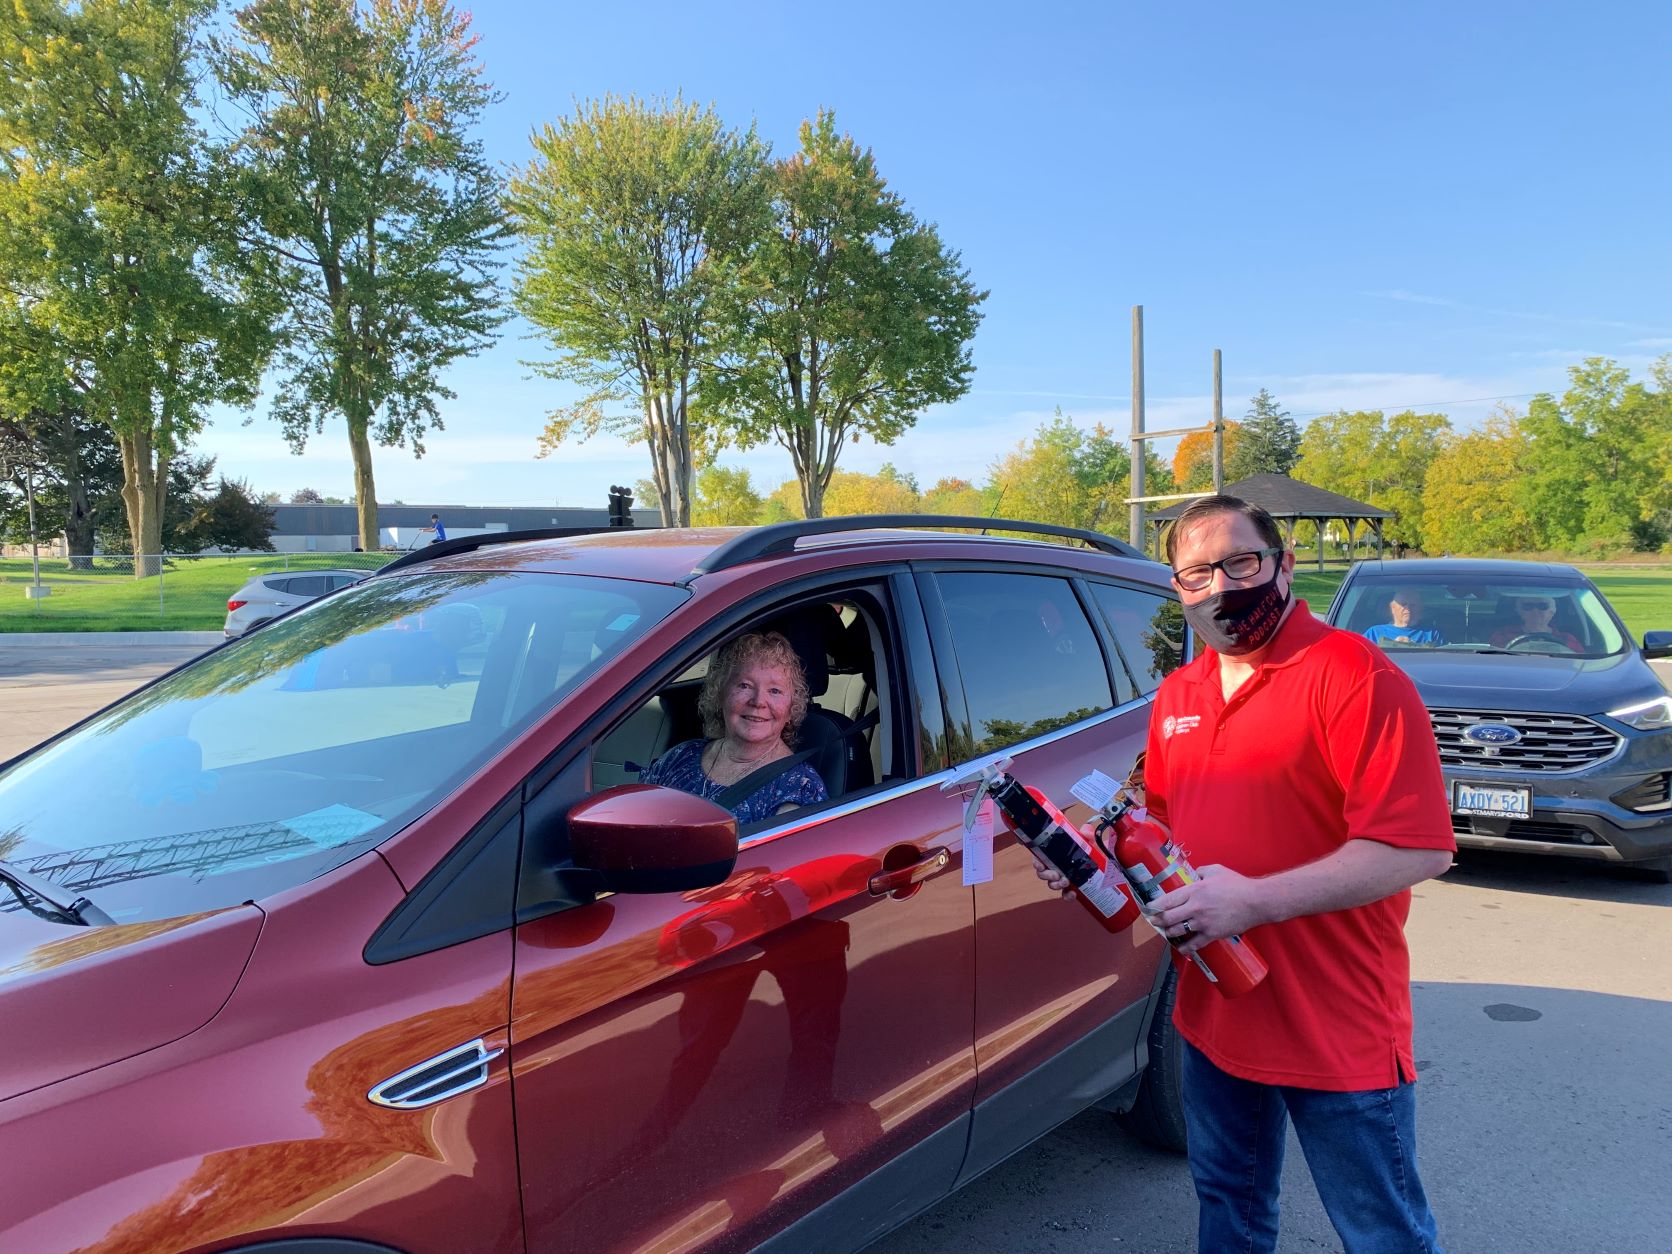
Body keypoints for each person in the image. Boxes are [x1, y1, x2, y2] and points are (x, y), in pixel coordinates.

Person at [1043, 495, 1454, 1253]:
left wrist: (1254, 901)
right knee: (1229, 1209)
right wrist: (1091, 861)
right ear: (1177, 588)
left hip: (1337, 1025)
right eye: (1198, 573)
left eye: (1242, 563)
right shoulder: (1180, 694)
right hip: (1215, 1012)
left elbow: (1418, 848)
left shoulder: (1355, 676)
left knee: (1381, 1232)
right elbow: (1163, 835)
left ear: (1283, 564)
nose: (1222, 588)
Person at [641, 631, 828, 824]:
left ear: (791, 708)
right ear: (720, 695)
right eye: (745, 685)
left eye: (774, 690)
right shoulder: (680, 756)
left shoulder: (799, 788)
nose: (758, 702)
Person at [1489, 596, 1582, 651]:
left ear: (1552, 611)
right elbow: (1495, 661)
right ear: (1518, 611)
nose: (1535, 611)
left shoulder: (1566, 638)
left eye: (1543, 606)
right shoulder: (1503, 634)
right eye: (1528, 606)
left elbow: (1579, 663)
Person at [1362, 587, 1446, 647]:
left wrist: (1415, 647)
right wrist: (1391, 646)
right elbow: (1363, 658)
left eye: (1413, 605)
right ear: (1392, 608)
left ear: (1420, 609)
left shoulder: (1432, 633)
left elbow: (1438, 661)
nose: (1408, 608)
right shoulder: (1374, 632)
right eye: (1403, 604)